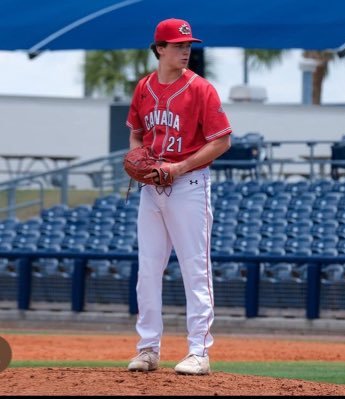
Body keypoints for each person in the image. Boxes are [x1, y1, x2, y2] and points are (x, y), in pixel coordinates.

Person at [125, 18, 232, 375]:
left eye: (188, 45)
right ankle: (147, 349)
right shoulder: (143, 88)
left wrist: (179, 167)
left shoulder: (201, 89)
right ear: (159, 49)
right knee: (148, 270)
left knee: (194, 269)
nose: (186, 50)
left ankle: (199, 352)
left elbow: (222, 141)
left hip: (188, 187)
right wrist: (141, 160)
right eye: (178, 45)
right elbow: (137, 137)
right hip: (151, 189)